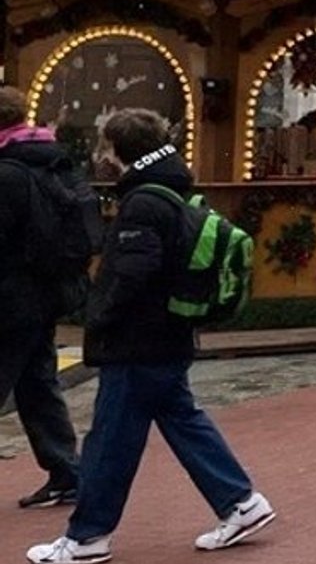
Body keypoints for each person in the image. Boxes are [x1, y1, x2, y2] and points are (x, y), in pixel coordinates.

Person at [27, 109, 275, 564]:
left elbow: (132, 272)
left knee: (109, 442)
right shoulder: (172, 192)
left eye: (105, 148)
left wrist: (98, 316)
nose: (100, 157)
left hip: (137, 339)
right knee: (182, 420)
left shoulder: (142, 202)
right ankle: (240, 502)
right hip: (167, 335)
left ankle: (87, 537)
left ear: (121, 150)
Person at [0, 87, 81, 511]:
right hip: (47, 292)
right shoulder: (55, 161)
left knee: (30, 380)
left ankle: (66, 471)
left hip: (10, 297)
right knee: (37, 382)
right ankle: (66, 471)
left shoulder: (7, 173)